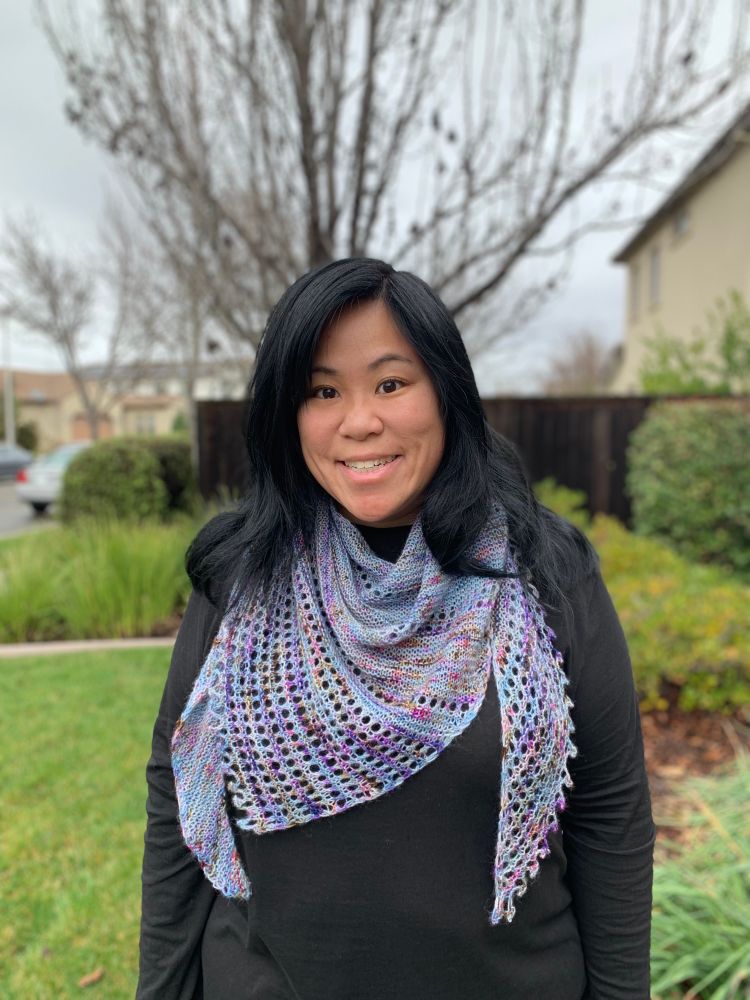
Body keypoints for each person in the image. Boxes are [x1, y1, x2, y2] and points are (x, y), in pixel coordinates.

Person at [137, 257, 655, 1000]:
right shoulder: (242, 571)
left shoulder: (546, 569)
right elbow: (177, 798)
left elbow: (611, 816)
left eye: (391, 383)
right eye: (322, 391)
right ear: (290, 411)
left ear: (446, 393)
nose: (359, 421)